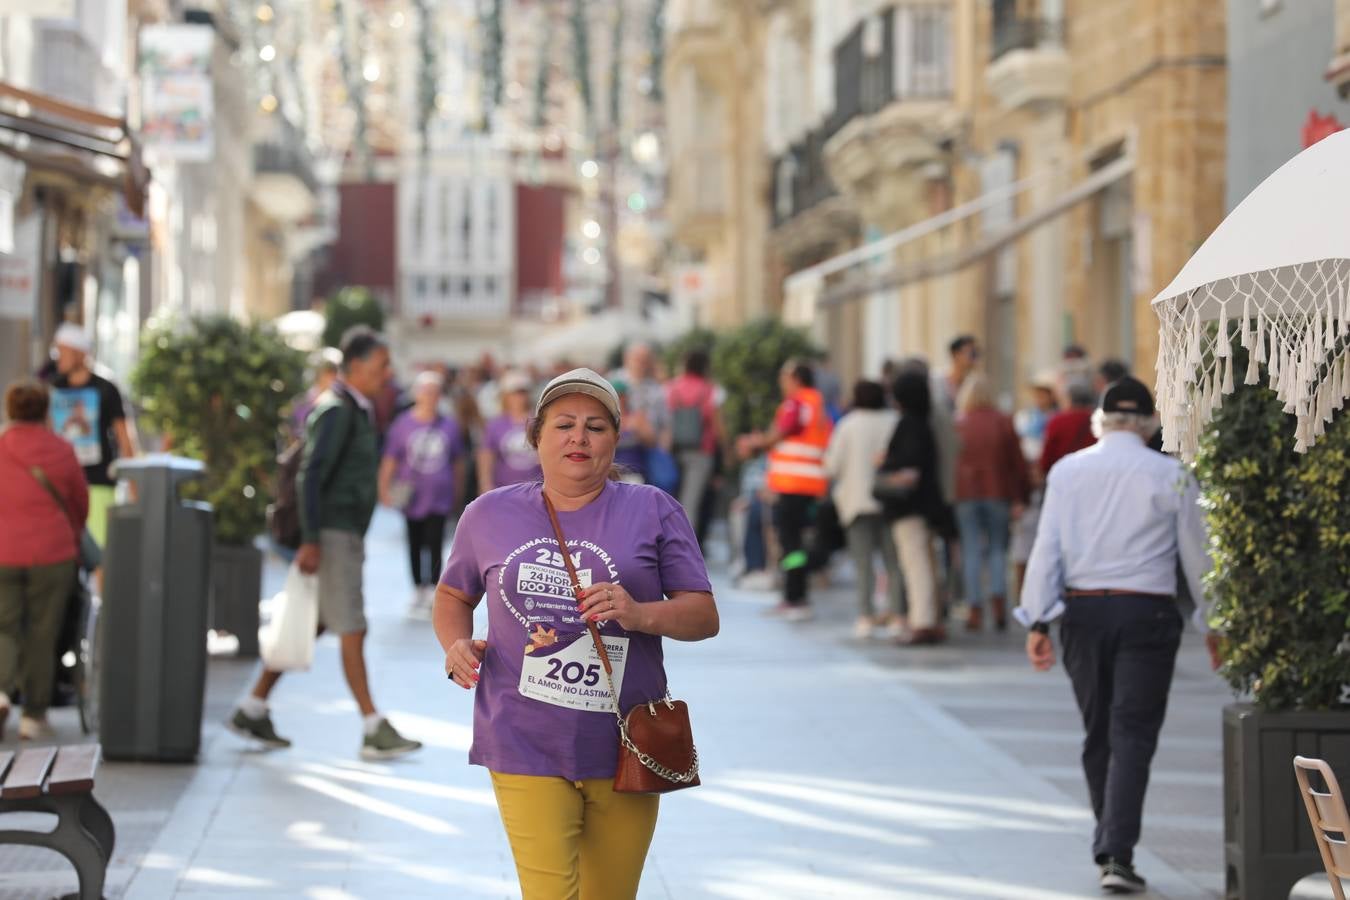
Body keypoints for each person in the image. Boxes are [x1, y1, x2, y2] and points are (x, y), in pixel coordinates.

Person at [433, 367, 718, 900]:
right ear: (536, 436)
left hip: (625, 741)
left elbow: (703, 615)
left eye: (596, 426)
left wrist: (639, 613)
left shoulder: (653, 509)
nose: (579, 438)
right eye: (564, 424)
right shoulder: (487, 514)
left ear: (616, 437)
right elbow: (453, 595)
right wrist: (455, 644)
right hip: (521, 737)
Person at [1016, 376, 1219, 895]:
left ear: (1099, 422)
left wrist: (1038, 619)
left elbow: (1048, 549)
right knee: (1132, 733)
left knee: (1099, 732)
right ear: (1150, 424)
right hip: (1146, 615)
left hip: (1083, 615)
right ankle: (1116, 851)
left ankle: (1111, 843)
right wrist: (1215, 623)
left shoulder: (1068, 471)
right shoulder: (1171, 473)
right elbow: (1198, 557)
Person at [230, 327, 422, 760]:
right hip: (333, 535)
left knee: (313, 622)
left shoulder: (354, 409)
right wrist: (313, 539)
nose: (388, 374)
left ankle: (252, 704)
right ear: (354, 368)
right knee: (353, 625)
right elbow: (310, 474)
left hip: (341, 533)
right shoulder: (337, 410)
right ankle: (373, 725)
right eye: (380, 366)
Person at [0, 379, 89, 741]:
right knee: (42, 632)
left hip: (2, 552)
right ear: (45, 411)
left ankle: (0, 694)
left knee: (3, 627)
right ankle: (33, 716)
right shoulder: (62, 449)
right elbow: (79, 504)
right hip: (52, 555)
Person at [737, 362, 833, 622]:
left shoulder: (797, 403)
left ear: (795, 378)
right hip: (809, 484)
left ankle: (794, 596)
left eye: (784, 376)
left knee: (790, 544)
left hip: (793, 485)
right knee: (795, 543)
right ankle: (796, 593)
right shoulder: (817, 405)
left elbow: (780, 433)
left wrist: (754, 444)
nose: (781, 382)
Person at [823, 380, 904, 639]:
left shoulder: (848, 424)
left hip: (857, 502)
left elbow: (832, 466)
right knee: (894, 562)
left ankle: (865, 616)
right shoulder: (894, 421)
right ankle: (897, 615)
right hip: (891, 502)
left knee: (863, 563)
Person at [380, 371, 464, 619]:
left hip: (439, 494)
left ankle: (432, 587)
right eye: (426, 391)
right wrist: (383, 489)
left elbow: (458, 461)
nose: (430, 397)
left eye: (434, 392)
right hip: (411, 495)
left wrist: (457, 492)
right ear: (417, 394)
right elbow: (390, 459)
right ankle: (418, 586)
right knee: (414, 541)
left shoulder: (449, 425)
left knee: (436, 541)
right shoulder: (402, 424)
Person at [48, 323, 137, 548]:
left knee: (99, 549)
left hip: (99, 481)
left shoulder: (107, 389)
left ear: (80, 353)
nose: (58, 357)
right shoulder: (53, 389)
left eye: (63, 351)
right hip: (62, 481)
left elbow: (124, 438)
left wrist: (135, 486)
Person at [953, 374, 1029, 632]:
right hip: (998, 492)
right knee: (998, 549)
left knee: (971, 550)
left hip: (966, 493)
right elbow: (1017, 463)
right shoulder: (1003, 421)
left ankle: (974, 607)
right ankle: (998, 603)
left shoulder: (960, 423)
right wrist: (1021, 496)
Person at [879, 372, 947, 645]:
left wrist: (886, 469)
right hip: (926, 504)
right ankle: (930, 619)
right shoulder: (925, 423)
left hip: (909, 506)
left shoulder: (909, 425)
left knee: (915, 564)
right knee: (926, 563)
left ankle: (922, 621)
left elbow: (909, 468)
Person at [665, 350, 722, 540]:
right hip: (701, 451)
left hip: (674, 450)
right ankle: (684, 546)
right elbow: (717, 425)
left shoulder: (671, 387)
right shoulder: (709, 390)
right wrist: (725, 450)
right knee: (691, 503)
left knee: (668, 499)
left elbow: (666, 419)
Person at [478, 370, 542, 492]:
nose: (519, 397)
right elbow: (486, 455)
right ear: (505, 396)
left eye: (523, 392)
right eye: (515, 393)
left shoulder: (539, 422)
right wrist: (485, 482)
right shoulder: (495, 424)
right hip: (504, 489)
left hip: (536, 489)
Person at [1040, 374, 1098, 477]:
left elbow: (1046, 460)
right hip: (1093, 476)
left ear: (1068, 398)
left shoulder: (1057, 421)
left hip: (1063, 476)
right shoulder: (1098, 420)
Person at [292, 348, 342, 438]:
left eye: (336, 370)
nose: (335, 375)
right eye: (330, 370)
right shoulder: (303, 400)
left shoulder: (341, 399)